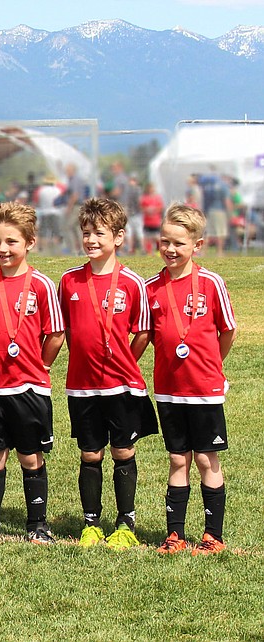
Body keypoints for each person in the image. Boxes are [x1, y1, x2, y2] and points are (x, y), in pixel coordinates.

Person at [0, 202, 64, 545]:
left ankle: (38, 526)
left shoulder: (41, 286)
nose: (2, 249)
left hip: (29, 386)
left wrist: (43, 366)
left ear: (29, 242)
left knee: (29, 454)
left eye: (11, 242)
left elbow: (56, 333)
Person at [59, 198, 157, 549]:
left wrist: (124, 360)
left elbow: (143, 330)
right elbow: (68, 329)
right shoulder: (69, 282)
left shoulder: (132, 283)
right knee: (89, 453)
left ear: (118, 237)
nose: (91, 240)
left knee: (122, 451)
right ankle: (90, 523)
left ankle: (125, 523)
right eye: (86, 233)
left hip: (122, 385)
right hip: (82, 386)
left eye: (99, 233)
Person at [145, 204, 236, 555]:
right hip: (169, 390)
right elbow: (152, 336)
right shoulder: (153, 287)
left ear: (197, 246)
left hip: (204, 390)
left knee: (206, 459)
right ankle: (175, 536)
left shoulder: (211, 283)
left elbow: (227, 330)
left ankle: (213, 536)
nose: (170, 249)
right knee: (177, 459)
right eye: (164, 241)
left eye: (179, 244)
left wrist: (212, 364)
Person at [140, 182, 164, 256]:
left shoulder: (157, 198)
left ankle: (158, 251)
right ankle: (149, 252)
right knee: (147, 238)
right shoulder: (144, 198)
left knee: (157, 237)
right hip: (147, 222)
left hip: (155, 221)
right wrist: (147, 210)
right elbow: (141, 208)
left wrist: (154, 210)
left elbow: (161, 207)